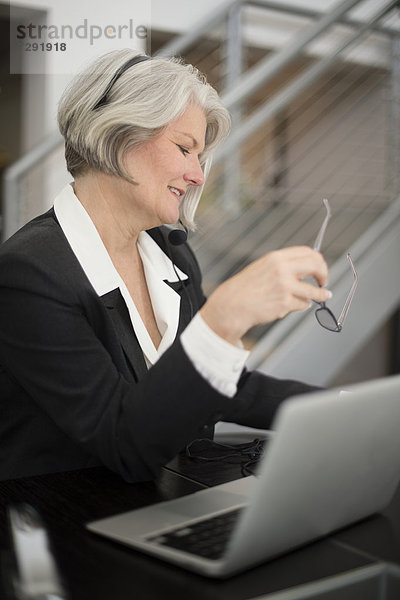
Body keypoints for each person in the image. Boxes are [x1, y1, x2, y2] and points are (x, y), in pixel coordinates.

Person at [0, 50, 331, 482]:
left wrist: (346, 407)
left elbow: (219, 383)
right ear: (118, 136)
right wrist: (222, 319)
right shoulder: (30, 273)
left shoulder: (170, 253)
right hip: (62, 524)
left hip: (159, 504)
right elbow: (122, 442)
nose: (197, 175)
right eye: (184, 148)